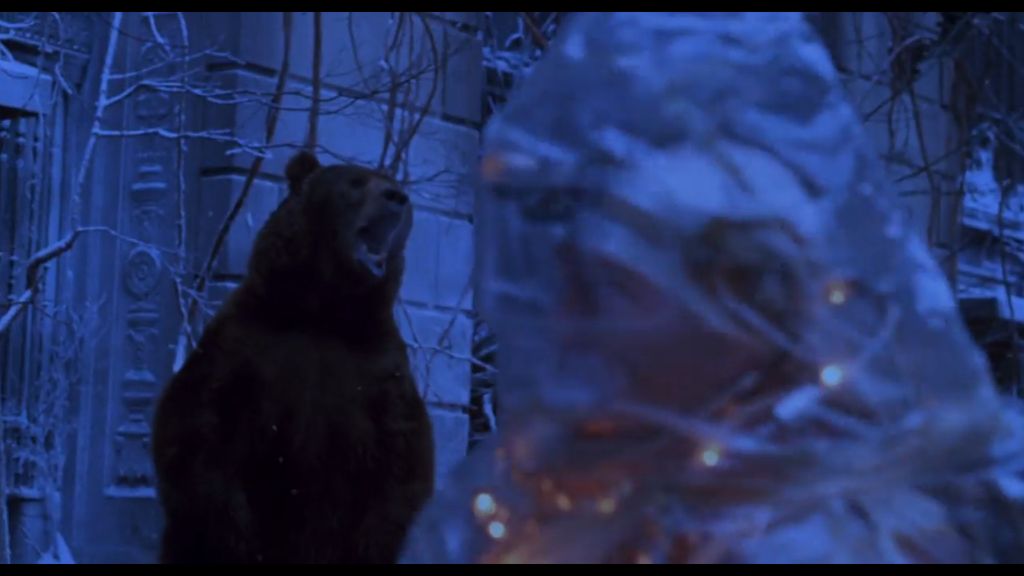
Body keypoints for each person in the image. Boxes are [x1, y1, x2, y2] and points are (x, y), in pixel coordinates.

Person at [400, 12, 1024, 564]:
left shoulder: (875, 528)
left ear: (740, 310)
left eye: (607, 291)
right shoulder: (559, 501)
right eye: (568, 285)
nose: (564, 319)